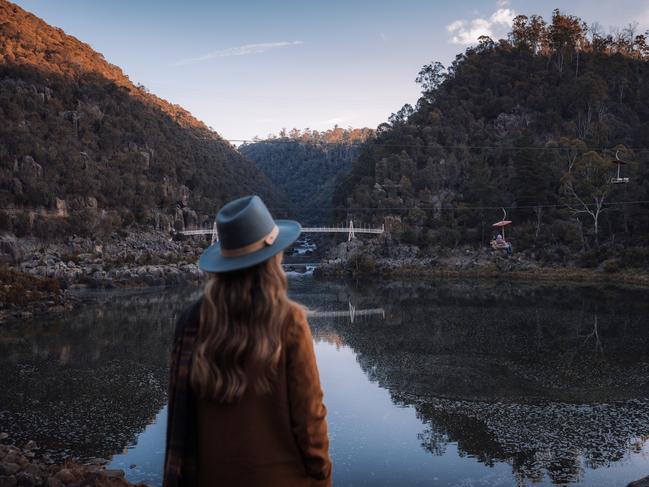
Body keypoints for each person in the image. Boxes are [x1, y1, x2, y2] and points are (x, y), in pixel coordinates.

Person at [164, 195, 332, 486]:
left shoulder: (191, 323)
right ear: (273, 259)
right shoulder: (289, 322)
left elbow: (180, 422)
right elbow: (310, 422)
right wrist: (323, 476)